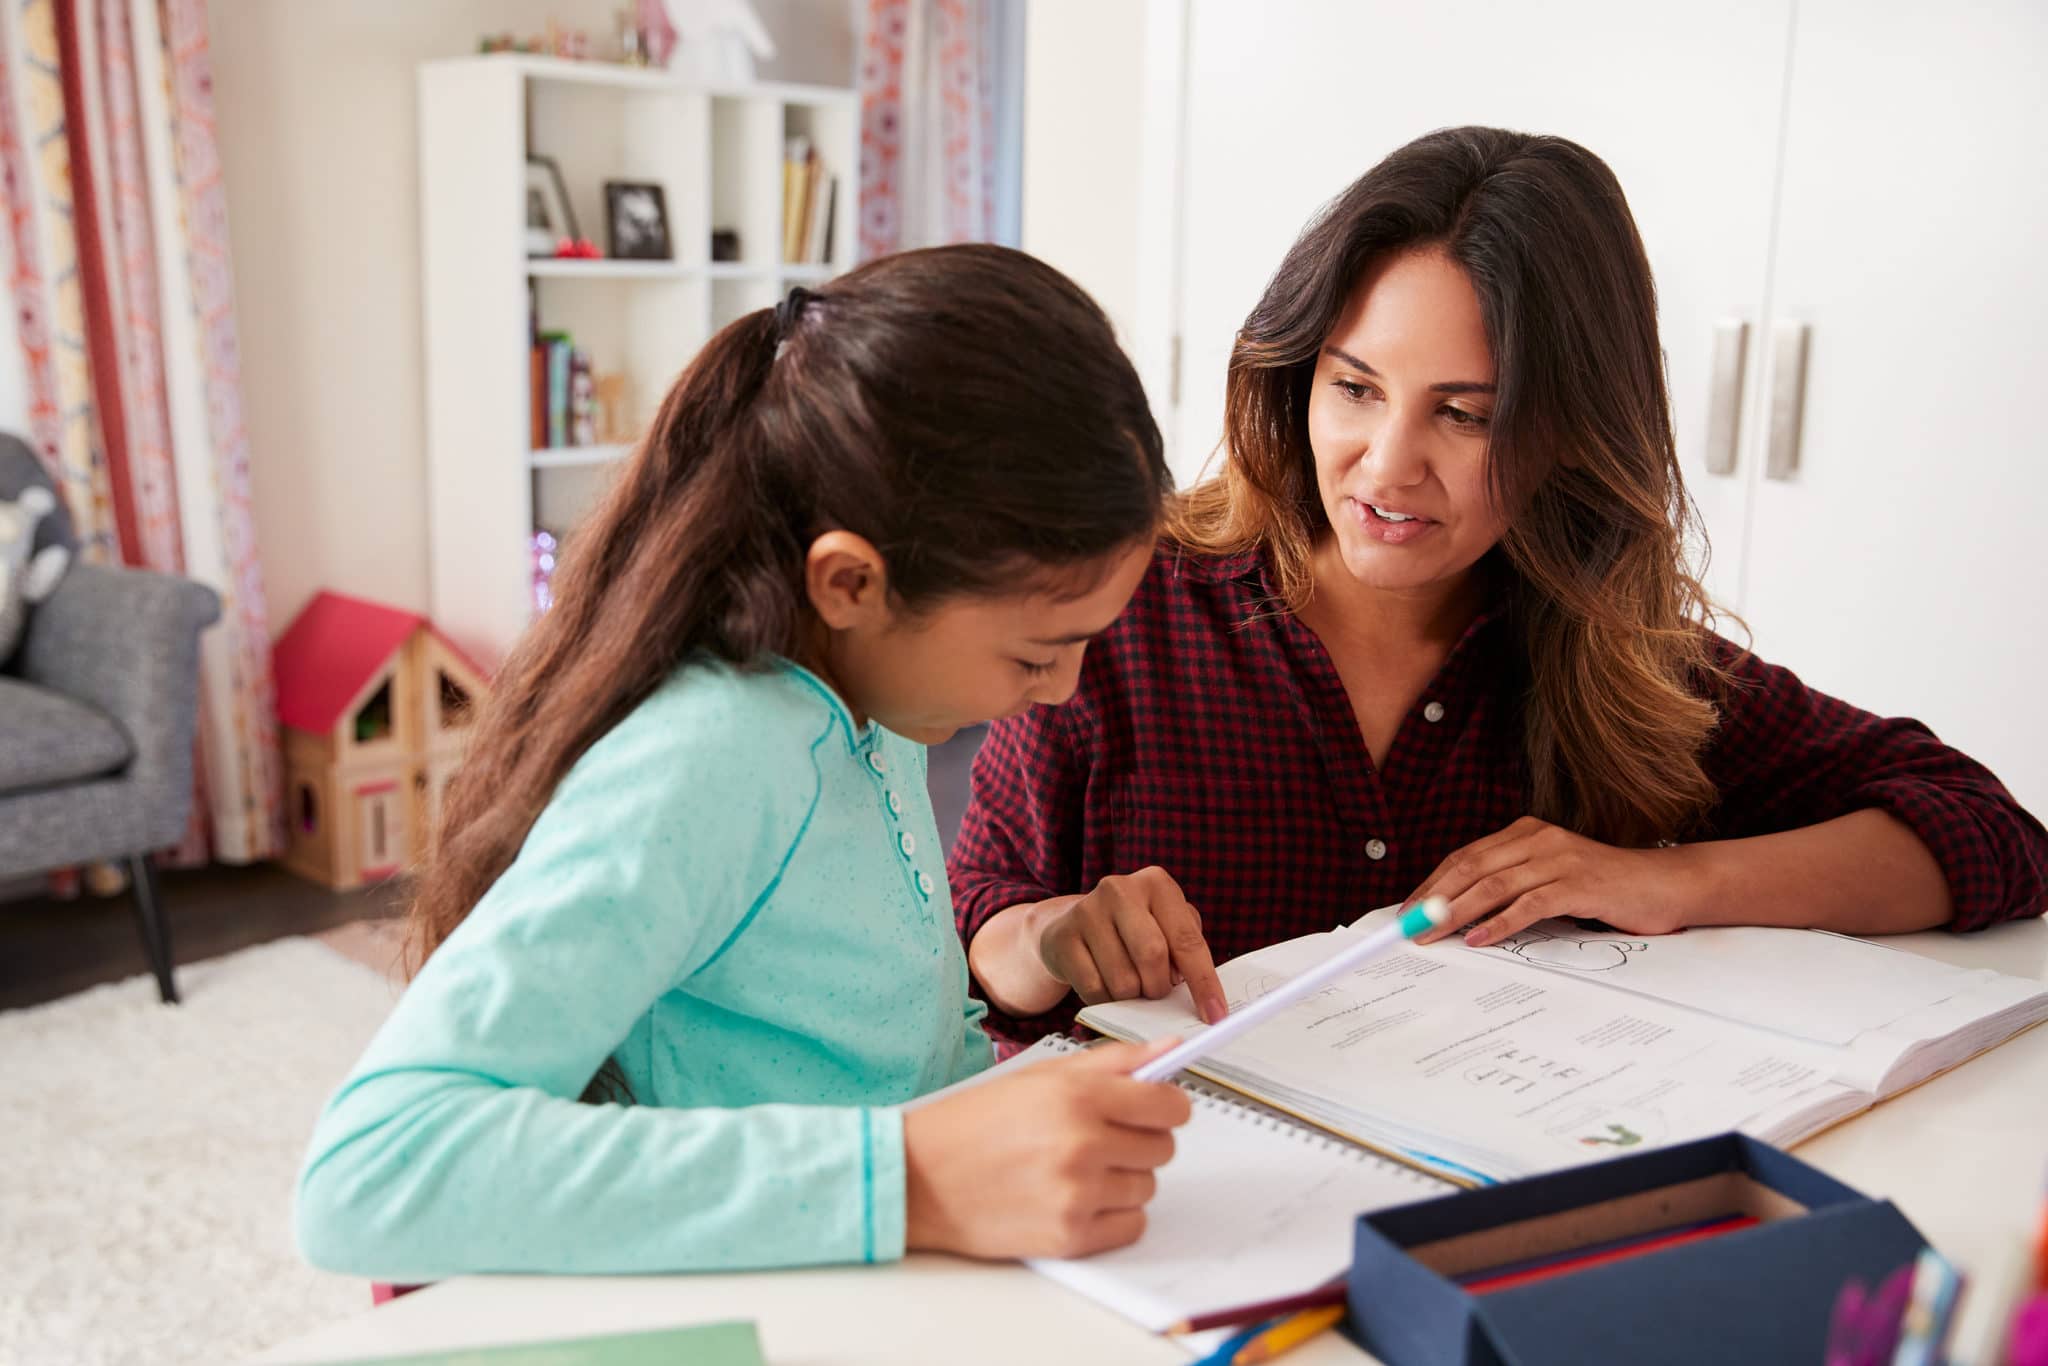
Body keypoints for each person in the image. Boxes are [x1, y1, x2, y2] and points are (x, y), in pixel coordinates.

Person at [951, 127, 2048, 1052]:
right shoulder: (1125, 608)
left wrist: (1669, 882)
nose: (1385, 465)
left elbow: (1990, 838)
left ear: (1568, 433)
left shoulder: (1614, 659)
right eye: (1354, 388)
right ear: (1295, 379)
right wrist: (1051, 937)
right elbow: (969, 924)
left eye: (1464, 414)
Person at [295, 245, 1191, 1279]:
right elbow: (369, 1169)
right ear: (850, 583)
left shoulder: (873, 697)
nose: (1065, 689)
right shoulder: (713, 756)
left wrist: (1039, 952)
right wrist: (909, 1175)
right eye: (1035, 652)